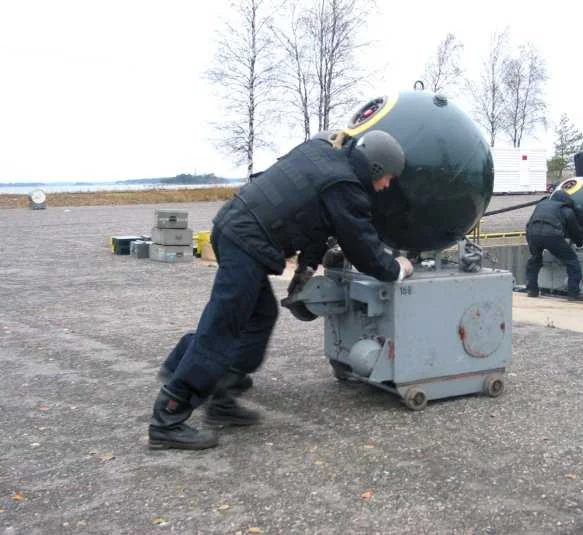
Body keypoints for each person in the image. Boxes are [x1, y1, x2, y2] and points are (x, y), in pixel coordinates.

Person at [148, 129, 414, 450]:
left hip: (234, 228)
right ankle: (169, 414)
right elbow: (362, 248)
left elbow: (317, 222)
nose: (387, 185)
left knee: (259, 318)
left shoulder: (324, 154)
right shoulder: (346, 187)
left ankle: (218, 393)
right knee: (224, 325)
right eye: (387, 178)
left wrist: (306, 268)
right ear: (373, 168)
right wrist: (397, 268)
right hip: (246, 240)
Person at [525, 190, 583, 300]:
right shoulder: (566, 209)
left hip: (532, 233)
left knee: (534, 260)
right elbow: (574, 230)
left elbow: (531, 222)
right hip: (552, 235)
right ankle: (573, 293)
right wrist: (579, 242)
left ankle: (532, 290)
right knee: (572, 261)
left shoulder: (541, 204)